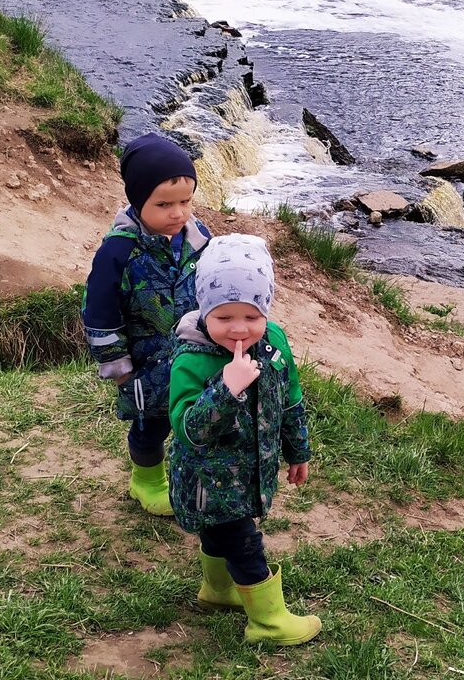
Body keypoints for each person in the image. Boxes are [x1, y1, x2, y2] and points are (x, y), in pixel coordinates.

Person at [168, 234, 321, 647]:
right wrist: (225, 389)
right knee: (243, 541)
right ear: (204, 310)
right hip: (208, 478)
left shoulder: (274, 343)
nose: (239, 329)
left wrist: (298, 450)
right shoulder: (191, 358)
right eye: (224, 317)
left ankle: (217, 592)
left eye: (252, 316)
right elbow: (188, 429)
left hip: (251, 470)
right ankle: (269, 623)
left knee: (221, 535)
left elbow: (290, 399)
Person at [83, 132, 210, 515]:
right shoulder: (118, 252)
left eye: (186, 201)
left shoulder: (199, 238)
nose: (178, 213)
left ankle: (190, 478)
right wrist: (118, 368)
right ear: (138, 202)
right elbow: (99, 313)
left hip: (193, 356)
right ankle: (147, 480)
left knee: (197, 419)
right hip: (145, 363)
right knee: (150, 425)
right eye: (164, 204)